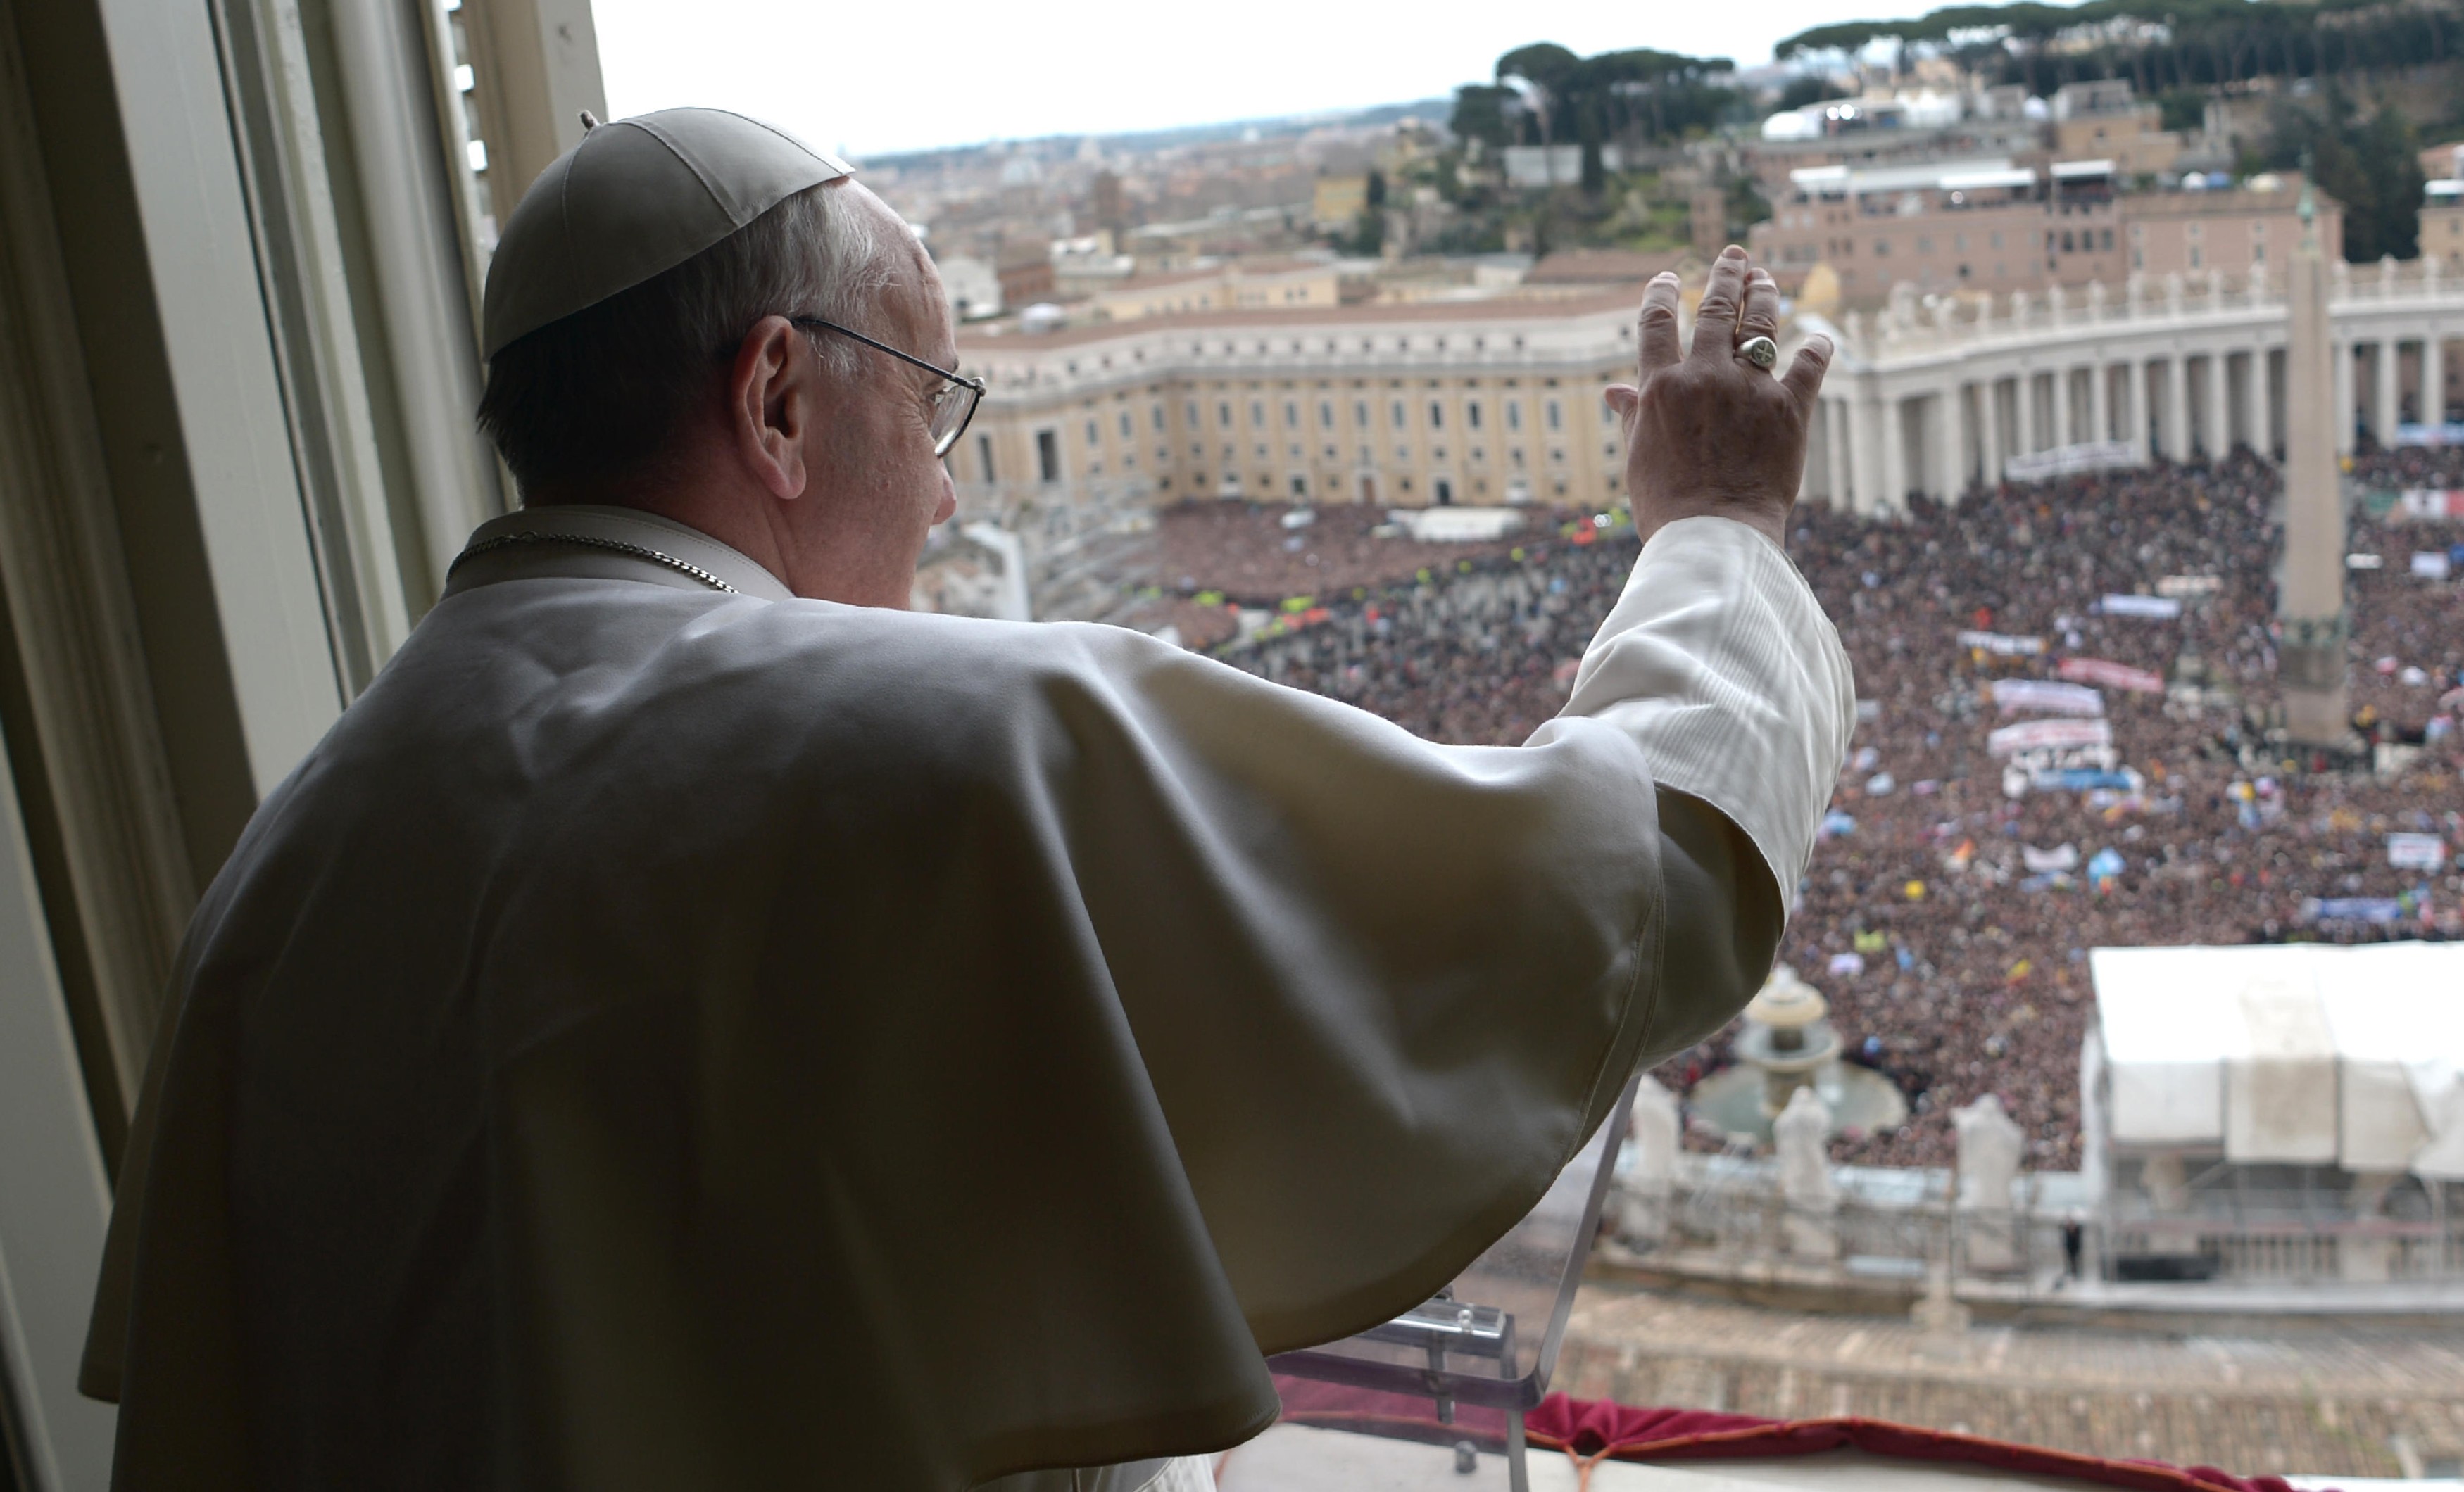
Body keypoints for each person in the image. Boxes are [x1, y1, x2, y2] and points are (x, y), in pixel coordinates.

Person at [77, 108, 1852, 1492]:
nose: (942, 496)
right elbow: (1632, 891)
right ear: (775, 397)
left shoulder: (282, 863)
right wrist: (1718, 529)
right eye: (930, 404)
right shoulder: (948, 743)